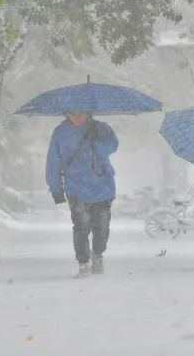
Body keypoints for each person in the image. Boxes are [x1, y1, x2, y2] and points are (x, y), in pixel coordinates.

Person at [46, 111, 119, 278]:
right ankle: (83, 263)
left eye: (82, 113)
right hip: (75, 187)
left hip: (102, 185)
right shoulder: (60, 133)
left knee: (102, 228)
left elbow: (113, 145)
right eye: (73, 114)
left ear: (88, 113)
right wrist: (56, 188)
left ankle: (98, 254)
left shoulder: (101, 127)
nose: (77, 117)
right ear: (66, 114)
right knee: (81, 226)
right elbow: (53, 161)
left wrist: (98, 141)